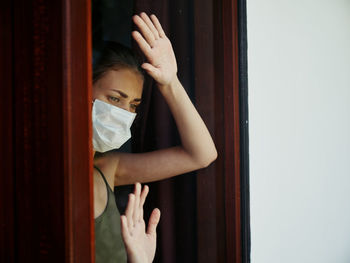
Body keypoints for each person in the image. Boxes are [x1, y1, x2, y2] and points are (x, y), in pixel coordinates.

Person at [92, 13, 217, 262]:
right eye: (115, 99)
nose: (123, 113)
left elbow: (202, 154)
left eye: (134, 105)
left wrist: (170, 83)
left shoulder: (108, 168)